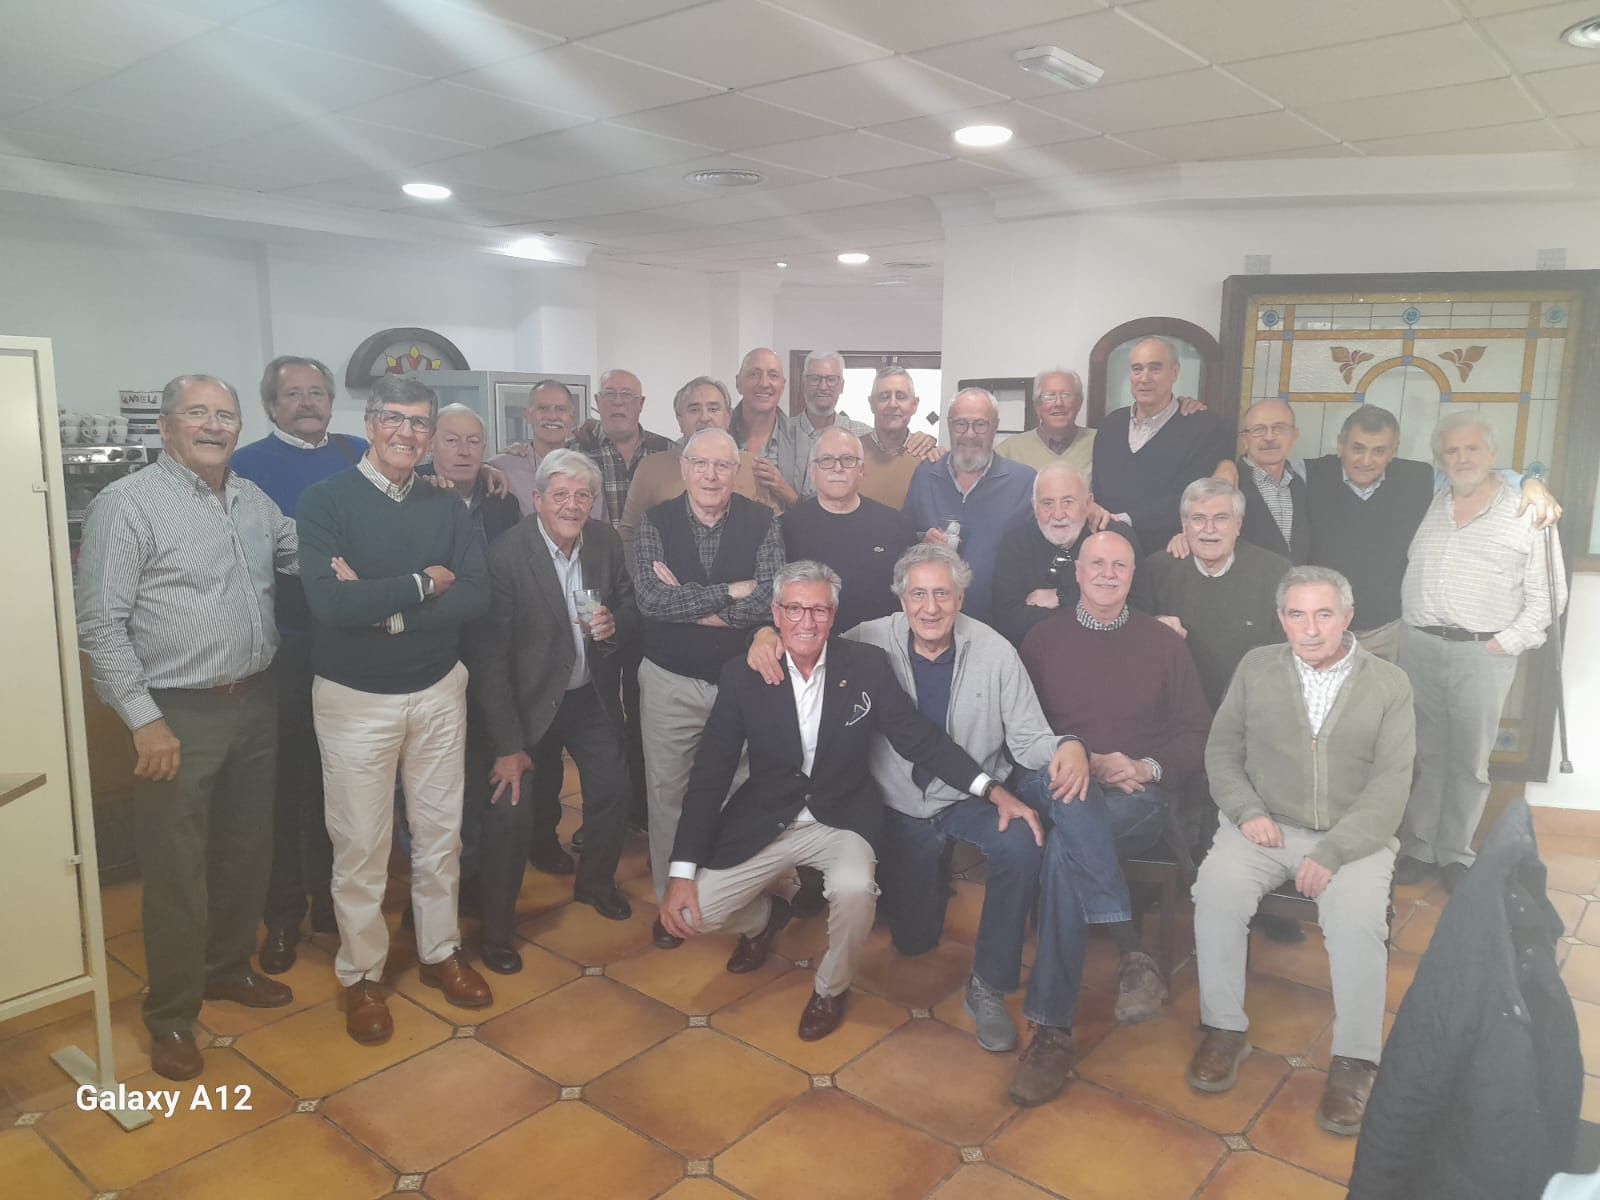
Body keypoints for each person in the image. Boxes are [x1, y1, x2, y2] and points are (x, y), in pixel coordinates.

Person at [661, 561, 1025, 1041]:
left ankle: (831, 988)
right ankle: (766, 919)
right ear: (776, 613)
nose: (807, 622)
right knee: (693, 915)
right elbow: (709, 776)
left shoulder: (866, 665)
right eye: (794, 609)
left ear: (833, 615)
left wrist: (991, 788)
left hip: (842, 818)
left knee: (855, 892)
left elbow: (920, 739)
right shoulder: (743, 676)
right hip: (769, 816)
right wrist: (681, 873)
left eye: (818, 610)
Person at [749, 544, 1089, 1052]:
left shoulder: (996, 652)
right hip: (898, 803)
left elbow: (1027, 739)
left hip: (969, 794)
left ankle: (989, 988)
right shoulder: (867, 639)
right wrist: (765, 635)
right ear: (901, 599)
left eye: (942, 595)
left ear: (961, 598)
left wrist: (1070, 747)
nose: (930, 608)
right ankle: (926, 877)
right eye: (918, 594)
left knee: (1021, 842)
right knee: (914, 940)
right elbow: (807, 641)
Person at [78, 374, 298, 1081]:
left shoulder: (252, 500)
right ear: (167, 427)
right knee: (176, 871)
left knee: (245, 850)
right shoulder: (128, 505)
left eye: (224, 415)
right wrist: (144, 722)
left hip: (253, 701)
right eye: (197, 414)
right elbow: (100, 626)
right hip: (176, 715)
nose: (213, 426)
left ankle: (229, 968)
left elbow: (305, 556)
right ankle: (171, 1014)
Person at [297, 374, 493, 1044]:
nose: (407, 433)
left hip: (439, 688)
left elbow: (474, 594)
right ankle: (362, 974)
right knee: (362, 847)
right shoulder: (324, 502)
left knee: (441, 835)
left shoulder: (448, 507)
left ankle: (440, 953)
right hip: (355, 701)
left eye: (419, 423)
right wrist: (419, 583)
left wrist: (389, 613)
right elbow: (329, 604)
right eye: (394, 419)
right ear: (370, 422)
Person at [1190, 566, 1415, 1137]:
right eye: (1296, 614)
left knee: (1358, 918)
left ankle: (1355, 1061)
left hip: (1353, 836)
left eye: (1323, 614)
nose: (1310, 629)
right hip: (1265, 827)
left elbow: (1391, 787)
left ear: (1348, 617)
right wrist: (1248, 812)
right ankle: (1224, 1030)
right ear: (1281, 618)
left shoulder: (1389, 685)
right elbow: (1221, 752)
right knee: (1215, 889)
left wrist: (1335, 851)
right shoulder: (1256, 668)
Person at [1009, 530, 1212, 1106]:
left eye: (1118, 564)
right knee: (1071, 794)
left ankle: (1051, 1035)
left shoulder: (1164, 644)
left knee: (1063, 853)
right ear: (1076, 571)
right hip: (1052, 781)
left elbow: (1197, 734)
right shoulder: (1041, 640)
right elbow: (1020, 730)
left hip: (1134, 798)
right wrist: (1075, 755)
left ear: (1131, 575)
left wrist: (1145, 766)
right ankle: (1131, 949)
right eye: (1095, 562)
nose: (1106, 572)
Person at [469, 449, 637, 972]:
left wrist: (616, 625)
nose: (572, 505)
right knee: (512, 809)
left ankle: (595, 883)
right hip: (524, 703)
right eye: (560, 495)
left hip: (588, 695)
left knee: (613, 789)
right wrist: (508, 746)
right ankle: (497, 929)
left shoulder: (606, 543)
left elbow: (629, 604)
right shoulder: (505, 555)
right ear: (537, 499)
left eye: (582, 495)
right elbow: (490, 658)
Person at [231, 355, 364, 974]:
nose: (307, 403)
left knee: (345, 786)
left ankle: (337, 909)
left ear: (332, 402)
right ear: (270, 405)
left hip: (351, 646)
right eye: (294, 395)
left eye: (317, 393)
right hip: (285, 651)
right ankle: (281, 916)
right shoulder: (244, 466)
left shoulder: (357, 450)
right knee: (286, 790)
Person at [1395, 412, 1566, 892]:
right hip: (1420, 647)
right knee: (1426, 753)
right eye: (1451, 450)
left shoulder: (1527, 511)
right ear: (1439, 459)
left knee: (1469, 759)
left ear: (1492, 454)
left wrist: (1505, 642)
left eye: (1472, 449)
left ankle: (1455, 852)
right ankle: (1420, 847)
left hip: (1482, 653)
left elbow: (1551, 596)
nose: (1462, 458)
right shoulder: (1430, 501)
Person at [634, 427, 784, 944]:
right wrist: (727, 595)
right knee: (668, 792)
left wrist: (697, 607)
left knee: (737, 793)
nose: (711, 475)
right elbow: (652, 601)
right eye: (701, 464)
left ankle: (730, 900)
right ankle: (672, 906)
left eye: (723, 466)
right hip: (668, 680)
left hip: (738, 685)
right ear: (684, 468)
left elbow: (767, 600)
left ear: (736, 472)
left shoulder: (763, 520)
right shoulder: (654, 523)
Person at [1303, 406, 1560, 662]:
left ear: (1394, 451)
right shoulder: (1309, 474)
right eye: (1358, 448)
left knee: (1385, 700)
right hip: (1322, 629)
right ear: (1340, 445)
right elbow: (1268, 468)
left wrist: (1530, 481)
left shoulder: (1420, 479)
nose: (1367, 460)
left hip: (1389, 631)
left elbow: (1478, 472)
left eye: (1379, 450)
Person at [1142, 478, 1290, 711]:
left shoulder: (1275, 572)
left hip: (1252, 708)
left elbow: (1285, 657)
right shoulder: (1156, 569)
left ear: (1238, 524)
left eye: (1221, 518)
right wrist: (1154, 628)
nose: (1209, 529)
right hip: (1174, 711)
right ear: (1184, 525)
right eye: (1198, 519)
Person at [903, 387, 1035, 623]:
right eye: (961, 424)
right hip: (933, 620)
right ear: (949, 425)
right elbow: (902, 539)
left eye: (980, 425)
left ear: (995, 426)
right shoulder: (925, 474)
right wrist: (922, 542)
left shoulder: (1025, 482)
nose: (970, 434)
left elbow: (1039, 550)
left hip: (1001, 624)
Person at [1091, 336, 1233, 553]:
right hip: (1110, 552)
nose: (1144, 378)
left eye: (1155, 368)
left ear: (1175, 373)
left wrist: (1123, 519)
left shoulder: (1204, 428)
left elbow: (1192, 497)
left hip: (1169, 556)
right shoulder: (1111, 425)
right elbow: (1100, 488)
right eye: (1137, 369)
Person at [620, 375, 778, 567]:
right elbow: (628, 534)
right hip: (671, 587)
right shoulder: (650, 467)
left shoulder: (754, 465)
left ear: (728, 416)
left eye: (713, 408)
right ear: (679, 418)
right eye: (694, 409)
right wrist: (641, 583)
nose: (705, 417)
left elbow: (775, 526)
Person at [780, 427, 914, 633]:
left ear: (861, 470)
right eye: (826, 460)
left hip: (880, 650)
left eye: (848, 459)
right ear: (813, 472)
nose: (837, 468)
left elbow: (912, 594)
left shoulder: (895, 524)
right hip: (810, 645)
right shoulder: (785, 528)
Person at [991, 463, 1139, 647]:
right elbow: (1007, 619)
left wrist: (1061, 597)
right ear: (1034, 506)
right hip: (1036, 656)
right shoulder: (1016, 542)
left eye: (1068, 502)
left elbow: (1137, 604)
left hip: (1109, 648)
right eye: (1047, 503)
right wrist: (1091, 605)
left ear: (1088, 503)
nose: (1058, 514)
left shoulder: (1115, 536)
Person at [567, 368, 674, 526]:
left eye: (627, 394)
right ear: (597, 401)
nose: (618, 402)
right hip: (593, 549)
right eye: (609, 394)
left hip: (656, 549)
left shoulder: (666, 451)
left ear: (641, 403)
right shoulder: (574, 452)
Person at [776, 349, 872, 498]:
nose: (823, 386)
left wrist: (919, 440)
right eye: (815, 378)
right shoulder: (783, 432)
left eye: (831, 379)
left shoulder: (862, 434)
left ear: (841, 386)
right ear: (803, 384)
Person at [487, 379, 580, 516]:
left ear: (572, 417)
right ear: (527, 415)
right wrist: (484, 469)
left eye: (561, 409)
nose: (552, 416)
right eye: (543, 408)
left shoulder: (585, 470)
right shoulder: (502, 468)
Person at [1234, 399, 1309, 563]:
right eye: (1259, 430)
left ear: (1294, 436)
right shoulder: (1229, 485)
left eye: (1279, 428)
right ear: (1245, 440)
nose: (1269, 437)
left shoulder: (1302, 485)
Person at [859, 365, 940, 509]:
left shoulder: (929, 455)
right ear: (871, 404)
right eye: (884, 397)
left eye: (901, 397)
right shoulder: (853, 453)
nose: (892, 404)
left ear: (914, 404)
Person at [730, 346, 799, 509]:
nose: (764, 383)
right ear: (738, 383)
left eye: (773, 375)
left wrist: (784, 489)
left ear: (783, 385)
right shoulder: (715, 436)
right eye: (754, 374)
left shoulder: (805, 444)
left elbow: (816, 515)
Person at [995, 368, 1096, 476]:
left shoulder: (1100, 442)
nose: (1058, 403)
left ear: (1079, 403)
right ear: (1037, 405)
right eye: (1049, 396)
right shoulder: (1009, 450)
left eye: (1066, 395)